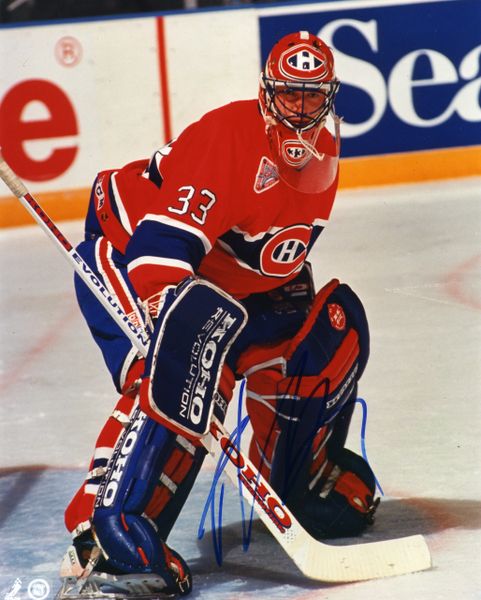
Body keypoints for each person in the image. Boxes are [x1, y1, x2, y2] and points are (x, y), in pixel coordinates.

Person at [57, 30, 379, 598]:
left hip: (225, 275)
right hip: (127, 250)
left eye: (312, 96)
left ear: (328, 96)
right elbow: (162, 249)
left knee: (325, 339)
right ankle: (101, 533)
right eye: (290, 95)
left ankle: (299, 484)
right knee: (179, 369)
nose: (301, 110)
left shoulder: (322, 151)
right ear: (266, 93)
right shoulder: (230, 139)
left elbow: (271, 243)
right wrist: (177, 336)